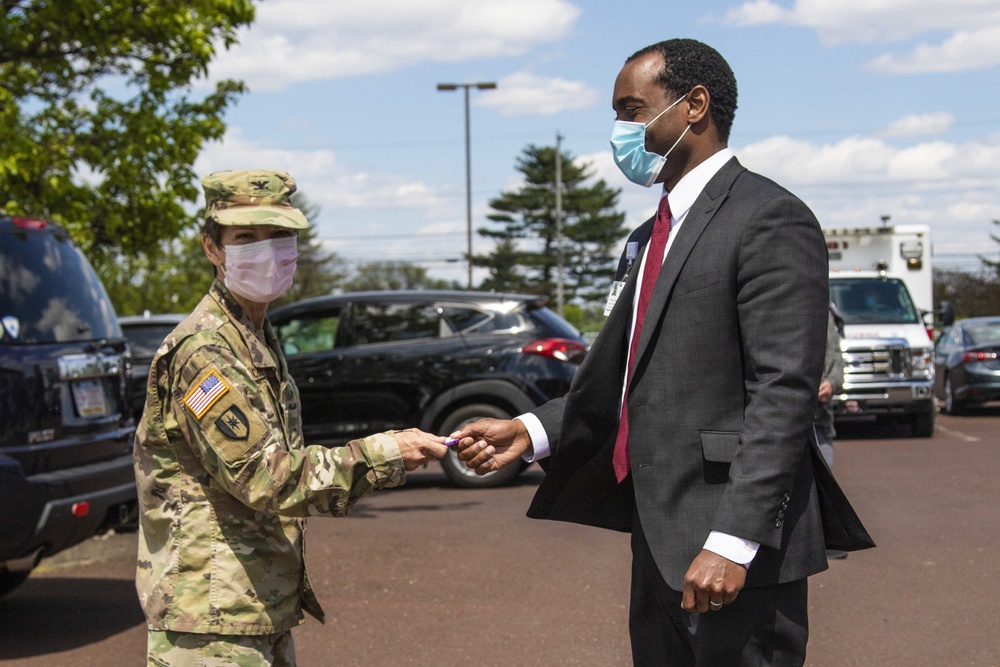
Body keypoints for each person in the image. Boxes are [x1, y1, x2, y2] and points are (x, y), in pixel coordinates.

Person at [453, 39, 873, 666]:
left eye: (632, 110)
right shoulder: (648, 235)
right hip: (659, 536)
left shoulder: (769, 218)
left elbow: (783, 392)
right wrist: (532, 429)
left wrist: (733, 541)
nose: (620, 130)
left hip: (733, 549)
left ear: (693, 105)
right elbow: (630, 374)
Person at [133, 169, 449, 666]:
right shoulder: (205, 351)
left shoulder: (254, 333)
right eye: (246, 238)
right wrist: (387, 452)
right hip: (213, 617)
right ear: (212, 248)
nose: (267, 252)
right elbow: (266, 476)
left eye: (280, 236)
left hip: (253, 603)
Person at [816, 303, 848, 560]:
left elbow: (837, 357)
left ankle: (826, 537)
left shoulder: (826, 309)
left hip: (820, 414)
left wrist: (831, 383)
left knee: (824, 473)